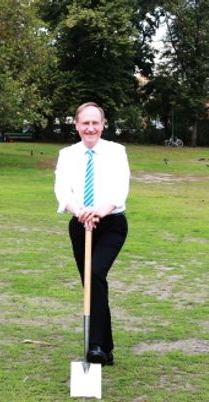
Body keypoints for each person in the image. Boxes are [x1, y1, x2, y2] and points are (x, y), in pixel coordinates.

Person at [54, 102, 130, 366]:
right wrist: (80, 212)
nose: (90, 128)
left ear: (103, 124)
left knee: (95, 273)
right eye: (85, 123)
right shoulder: (67, 155)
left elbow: (120, 189)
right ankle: (104, 348)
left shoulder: (116, 152)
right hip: (80, 225)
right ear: (76, 125)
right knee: (92, 283)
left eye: (95, 123)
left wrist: (98, 211)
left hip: (111, 224)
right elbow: (62, 190)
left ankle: (96, 345)